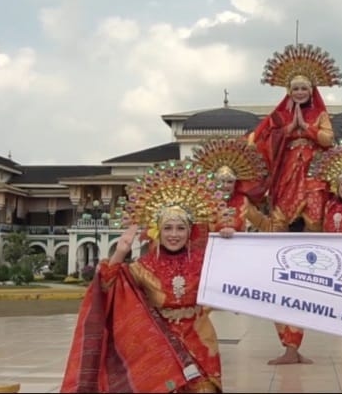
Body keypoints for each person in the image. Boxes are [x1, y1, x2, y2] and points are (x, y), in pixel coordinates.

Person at [61, 159, 223, 393]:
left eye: (180, 228)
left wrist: (231, 240)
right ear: (157, 231)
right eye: (167, 228)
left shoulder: (206, 262)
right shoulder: (142, 267)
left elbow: (238, 275)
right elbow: (106, 288)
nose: (174, 235)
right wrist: (120, 252)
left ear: (190, 231)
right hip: (159, 346)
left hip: (201, 340)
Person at [246, 43, 342, 365]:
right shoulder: (278, 117)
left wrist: (308, 129)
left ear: (312, 90)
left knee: (316, 243)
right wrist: (288, 129)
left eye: (304, 87)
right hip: (286, 182)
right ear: (288, 91)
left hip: (313, 183)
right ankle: (289, 344)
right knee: (279, 247)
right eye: (295, 88)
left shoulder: (320, 115)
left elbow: (329, 140)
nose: (300, 91)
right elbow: (255, 142)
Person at [191, 136, 271, 234]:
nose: (225, 185)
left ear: (235, 183)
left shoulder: (243, 201)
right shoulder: (205, 202)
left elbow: (258, 227)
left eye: (229, 182)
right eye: (221, 182)